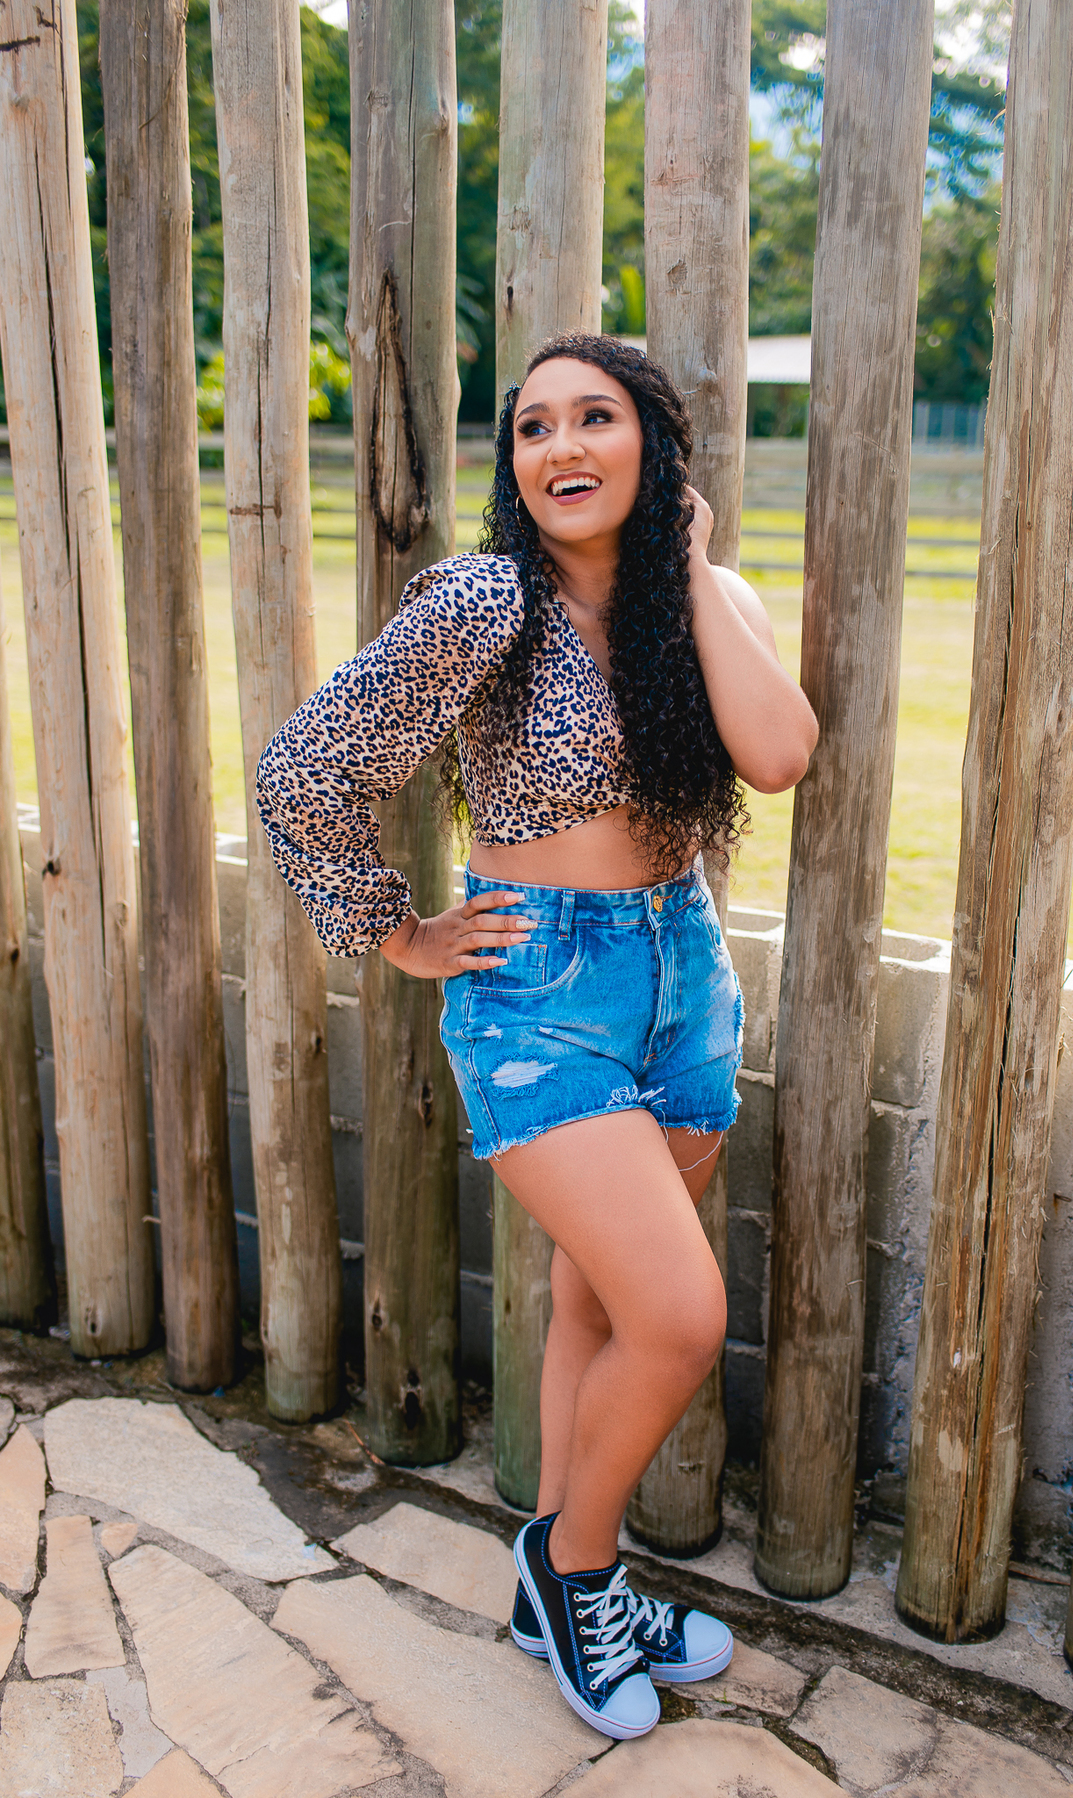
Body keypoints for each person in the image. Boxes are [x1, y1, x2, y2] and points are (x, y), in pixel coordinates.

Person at [257, 332, 818, 1740]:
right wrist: (399, 931)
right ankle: (573, 1572)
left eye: (595, 418)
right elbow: (304, 770)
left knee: (599, 1305)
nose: (560, 447)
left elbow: (779, 755)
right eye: (532, 427)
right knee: (681, 1318)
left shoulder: (706, 600)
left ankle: (561, 1590)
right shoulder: (485, 602)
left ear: (653, 443)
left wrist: (692, 565)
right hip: (541, 995)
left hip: (681, 982)